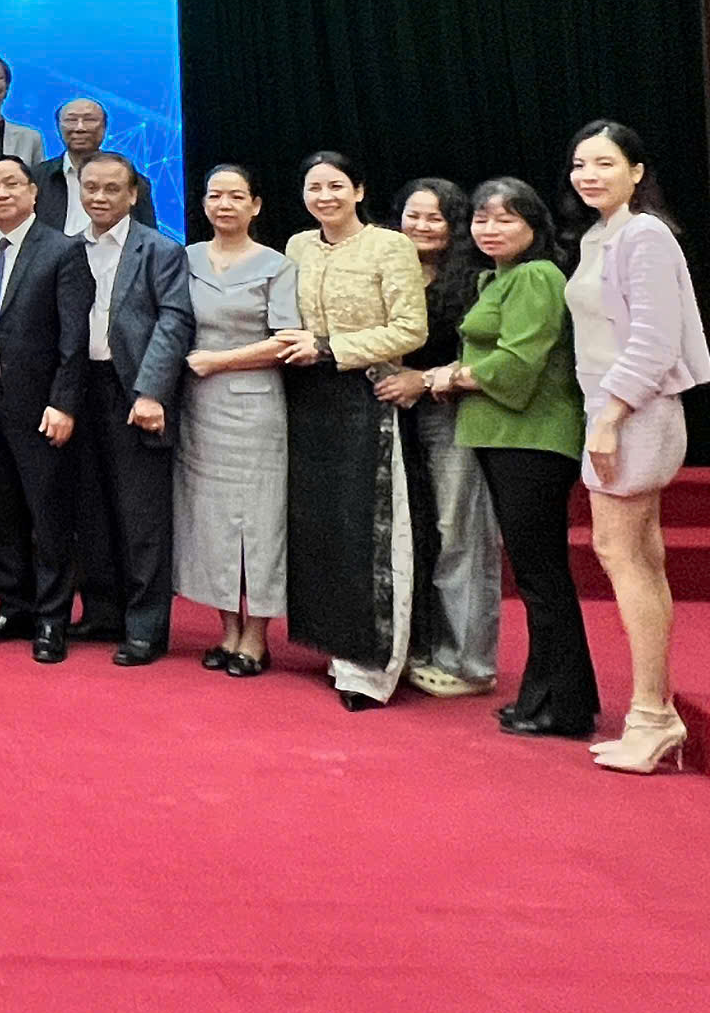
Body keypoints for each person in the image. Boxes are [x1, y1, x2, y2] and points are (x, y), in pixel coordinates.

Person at [566, 121, 710, 773]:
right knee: (639, 557)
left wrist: (609, 418)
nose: (588, 174)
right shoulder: (600, 235)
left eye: (604, 162)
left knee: (621, 553)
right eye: (580, 164)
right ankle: (657, 712)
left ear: (637, 171)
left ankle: (651, 716)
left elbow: (655, 341)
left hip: (631, 409)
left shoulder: (644, 235)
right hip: (609, 407)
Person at [428, 178, 595, 738]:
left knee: (542, 577)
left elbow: (518, 365)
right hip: (503, 435)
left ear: (534, 225)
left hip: (533, 438)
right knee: (535, 575)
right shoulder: (495, 278)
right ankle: (553, 697)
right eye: (481, 218)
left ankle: (564, 707)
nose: (490, 229)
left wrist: (452, 376)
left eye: (506, 219)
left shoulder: (537, 276)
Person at [284, 151, 429, 711]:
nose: (324, 196)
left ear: (359, 191)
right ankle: (336, 650)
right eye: (314, 187)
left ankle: (373, 668)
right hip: (308, 399)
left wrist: (330, 347)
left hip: (367, 394)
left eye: (336, 186)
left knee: (371, 532)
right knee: (321, 532)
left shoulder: (389, 246)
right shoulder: (298, 246)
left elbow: (410, 329)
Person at [0, 156, 92, 661]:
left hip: (40, 406)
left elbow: (73, 338)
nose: (0, 194)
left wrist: (63, 402)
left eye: (11, 184)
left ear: (34, 192)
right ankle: (12, 606)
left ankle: (52, 619)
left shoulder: (62, 250)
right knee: (1, 512)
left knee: (47, 514)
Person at [66, 152, 194, 663]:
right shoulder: (69, 247)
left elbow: (174, 322)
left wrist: (151, 392)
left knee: (141, 517)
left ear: (133, 194)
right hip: (82, 390)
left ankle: (145, 626)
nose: (99, 197)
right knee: (91, 511)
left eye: (111, 189)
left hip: (135, 392)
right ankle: (102, 612)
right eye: (91, 187)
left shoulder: (160, 249)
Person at [175, 165, 298, 678]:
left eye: (236, 196)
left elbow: (287, 340)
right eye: (215, 196)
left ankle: (257, 635)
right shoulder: (185, 258)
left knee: (260, 522)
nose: (224, 205)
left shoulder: (277, 264)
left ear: (256, 205)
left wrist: (220, 361)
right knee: (209, 521)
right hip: (198, 406)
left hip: (255, 405)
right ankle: (227, 628)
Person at [390, 178, 503, 701]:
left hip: (452, 412)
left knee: (459, 532)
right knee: (407, 533)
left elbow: (485, 354)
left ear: (454, 225)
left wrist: (425, 380)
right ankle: (414, 647)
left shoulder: (477, 280)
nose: (422, 226)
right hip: (391, 414)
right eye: (413, 215)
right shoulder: (383, 269)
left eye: (435, 218)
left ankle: (469, 663)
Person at [33, 100, 157, 236]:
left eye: (89, 120)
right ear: (58, 128)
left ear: (104, 128)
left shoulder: (132, 180)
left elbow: (148, 237)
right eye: (71, 120)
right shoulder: (36, 178)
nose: (80, 128)